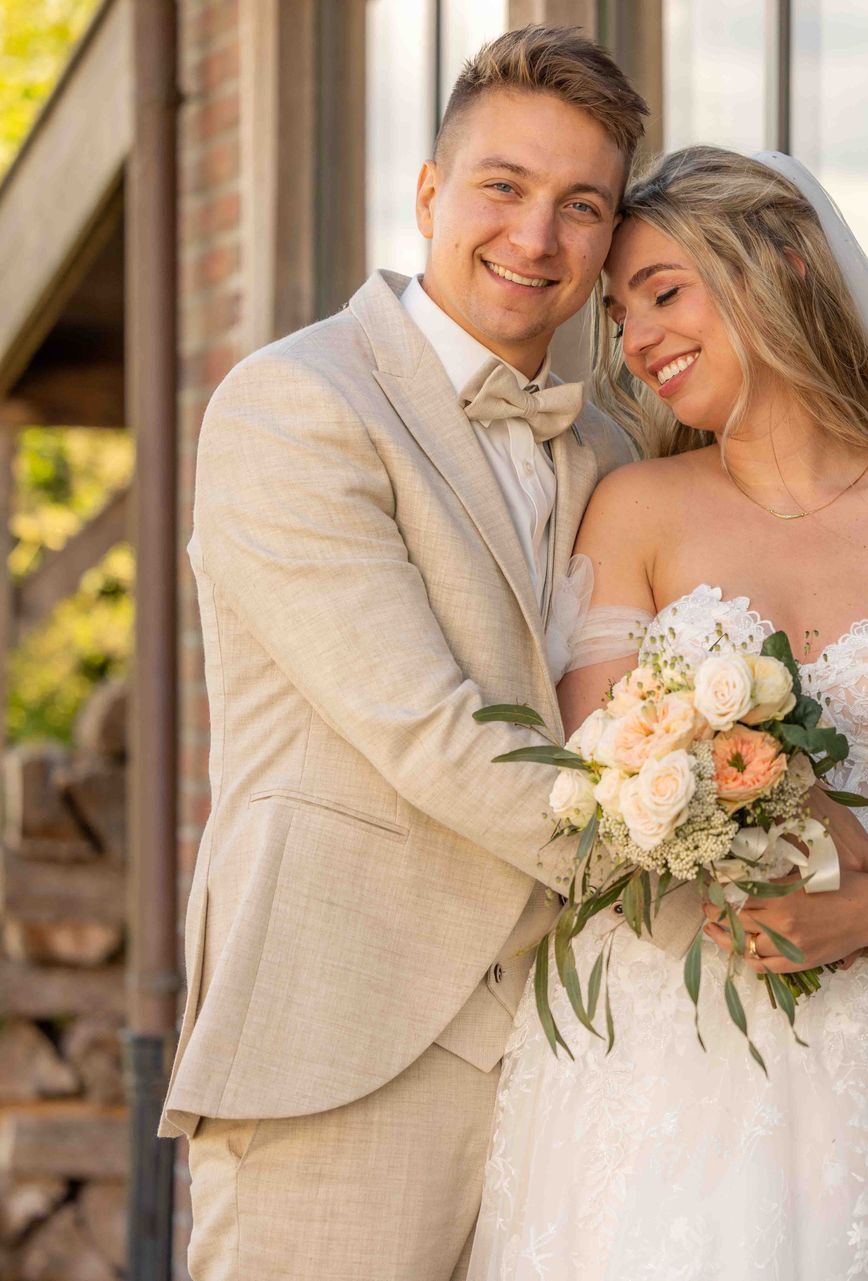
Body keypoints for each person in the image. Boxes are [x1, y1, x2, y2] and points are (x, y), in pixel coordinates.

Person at [465, 147, 868, 1281]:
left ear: (786, 265)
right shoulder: (633, 511)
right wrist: (774, 795)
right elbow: (587, 794)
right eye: (619, 314)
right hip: (664, 1035)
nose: (638, 339)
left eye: (665, 291)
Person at [164, 28, 654, 1280]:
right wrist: (699, 867)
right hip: (345, 1041)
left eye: (580, 205)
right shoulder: (294, 406)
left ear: (608, 242)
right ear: (431, 191)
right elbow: (430, 731)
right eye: (503, 187)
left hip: (582, 1057)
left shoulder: (616, 454)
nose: (535, 238)